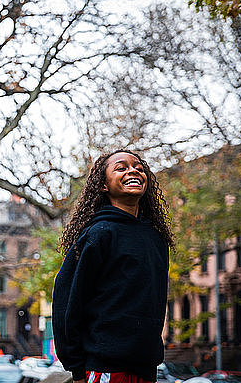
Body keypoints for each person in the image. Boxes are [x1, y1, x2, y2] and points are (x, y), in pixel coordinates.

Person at [52, 150, 174, 383]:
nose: (133, 171)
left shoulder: (156, 239)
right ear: (104, 186)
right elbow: (67, 301)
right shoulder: (98, 234)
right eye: (121, 167)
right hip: (103, 367)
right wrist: (77, 369)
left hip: (146, 369)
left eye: (138, 167)